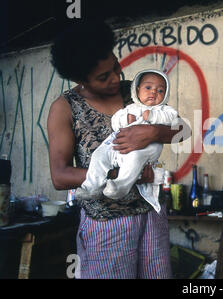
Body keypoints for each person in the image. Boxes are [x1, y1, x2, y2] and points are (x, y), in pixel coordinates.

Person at [47, 20, 189, 279]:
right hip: (107, 221)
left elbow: (184, 132)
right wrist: (119, 176)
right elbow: (60, 175)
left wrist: (156, 132)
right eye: (103, 77)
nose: (115, 78)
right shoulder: (65, 108)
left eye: (115, 66)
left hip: (150, 211)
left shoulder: (136, 92)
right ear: (80, 79)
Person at [76, 69, 178, 214]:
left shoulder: (163, 110)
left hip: (144, 149)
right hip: (118, 145)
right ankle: (91, 187)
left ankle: (119, 187)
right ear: (137, 90)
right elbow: (115, 120)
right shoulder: (131, 108)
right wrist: (125, 120)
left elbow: (173, 119)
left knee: (134, 160)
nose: (154, 92)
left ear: (165, 95)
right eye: (148, 88)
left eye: (160, 90)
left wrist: (153, 116)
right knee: (99, 155)